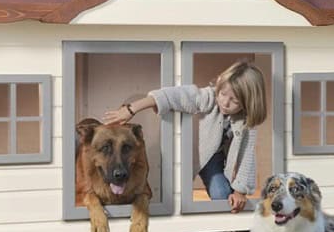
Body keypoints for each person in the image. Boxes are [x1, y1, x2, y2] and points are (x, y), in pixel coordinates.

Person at [103, 61, 267, 213]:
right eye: (223, 94)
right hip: (198, 153)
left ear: (248, 103)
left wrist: (240, 192)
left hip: (219, 158)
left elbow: (246, 155)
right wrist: (131, 109)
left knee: (225, 196)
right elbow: (173, 95)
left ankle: (226, 230)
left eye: (235, 101)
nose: (225, 102)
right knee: (214, 193)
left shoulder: (247, 121)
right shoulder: (209, 97)